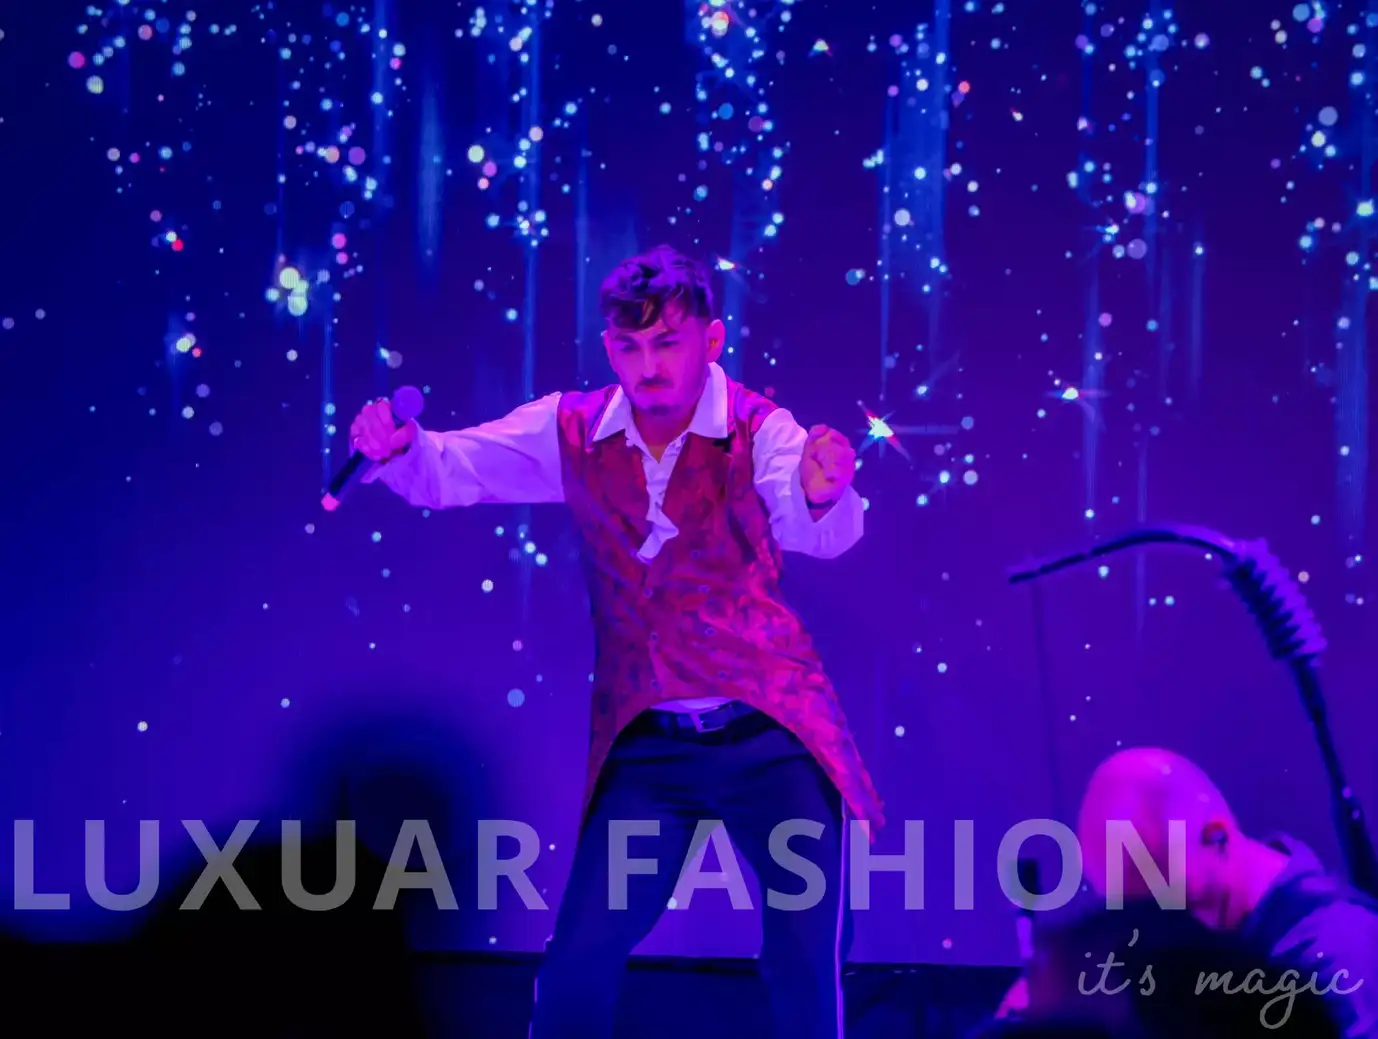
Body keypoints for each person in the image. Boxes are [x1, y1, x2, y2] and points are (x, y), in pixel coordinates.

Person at [347, 245, 883, 1038]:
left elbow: (812, 523)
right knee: (577, 966)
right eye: (630, 347)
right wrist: (400, 448)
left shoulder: (760, 428)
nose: (649, 366)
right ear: (609, 346)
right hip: (652, 751)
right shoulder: (573, 429)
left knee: (804, 963)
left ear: (711, 340)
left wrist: (820, 490)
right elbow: (458, 467)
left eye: (667, 343)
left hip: (773, 740)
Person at [996, 747, 1378, 1037]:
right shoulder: (1213, 950)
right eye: (1131, 915)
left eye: (1170, 903)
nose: (1155, 932)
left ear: (1217, 836)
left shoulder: (1336, 958)